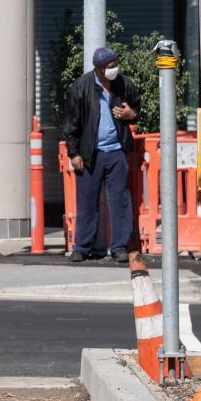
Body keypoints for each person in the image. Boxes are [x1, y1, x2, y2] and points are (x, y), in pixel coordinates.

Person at [61, 46, 141, 264]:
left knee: (120, 200)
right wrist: (74, 153)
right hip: (90, 153)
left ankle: (120, 246)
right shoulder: (82, 86)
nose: (114, 69)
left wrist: (129, 114)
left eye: (115, 65)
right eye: (109, 67)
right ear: (98, 69)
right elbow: (70, 123)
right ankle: (81, 247)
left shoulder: (124, 84)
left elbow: (136, 110)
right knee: (87, 201)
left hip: (116, 150)